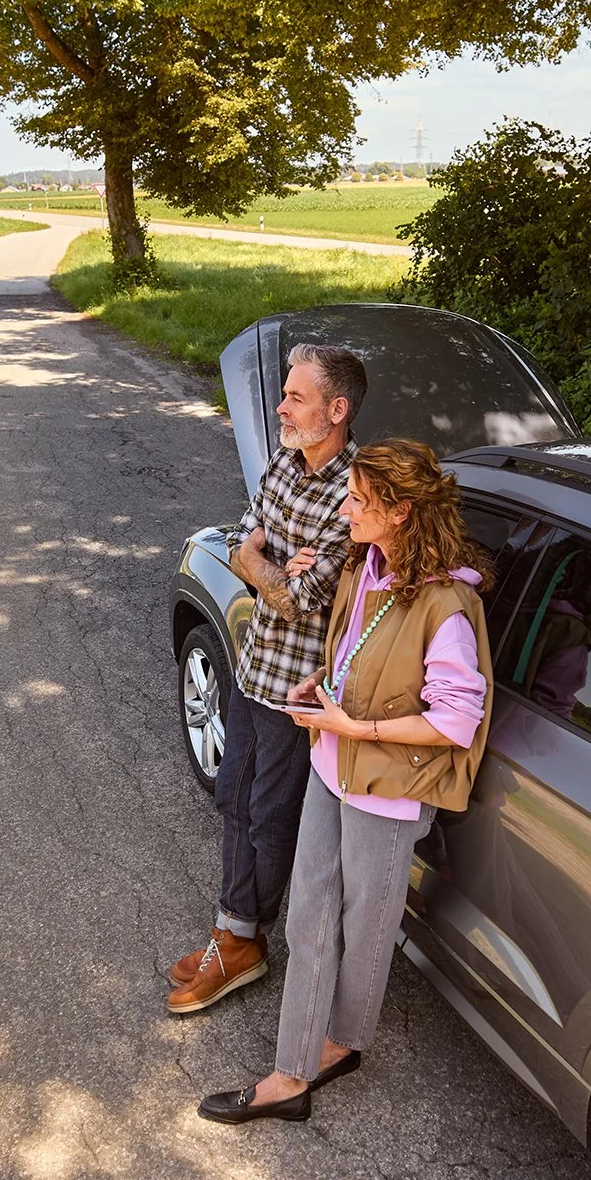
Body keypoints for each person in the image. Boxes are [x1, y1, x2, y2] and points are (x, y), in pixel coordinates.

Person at [197, 439, 494, 1123]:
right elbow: (354, 653)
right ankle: (290, 1071)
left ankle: (341, 1043)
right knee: (308, 918)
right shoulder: (367, 565)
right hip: (332, 768)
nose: (347, 508)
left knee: (365, 929)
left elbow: (455, 719)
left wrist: (358, 728)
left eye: (360, 500)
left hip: (386, 792)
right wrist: (322, 682)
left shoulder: (445, 606)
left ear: (400, 510)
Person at [166, 343, 370, 1013]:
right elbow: (243, 543)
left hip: (298, 690)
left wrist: (269, 564)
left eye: (297, 397)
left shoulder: (355, 492)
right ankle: (230, 929)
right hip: (256, 666)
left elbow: (307, 596)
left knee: (269, 815)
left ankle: (245, 944)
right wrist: (273, 564)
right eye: (284, 393)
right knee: (232, 794)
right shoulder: (287, 459)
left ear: (336, 410)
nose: (281, 407)